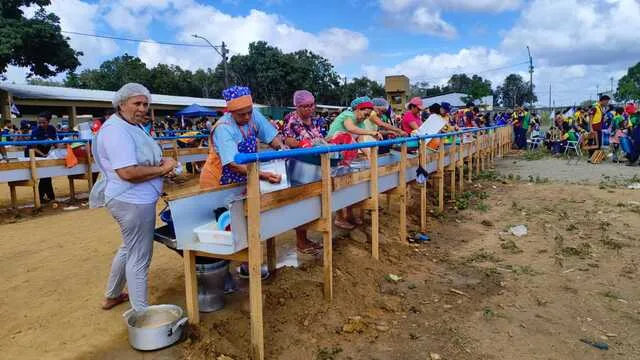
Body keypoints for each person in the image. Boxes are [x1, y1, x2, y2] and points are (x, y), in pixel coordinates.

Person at [91, 83, 177, 311]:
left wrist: (161, 165)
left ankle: (112, 295)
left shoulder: (132, 125)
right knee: (140, 257)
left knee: (129, 248)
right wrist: (163, 169)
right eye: (137, 103)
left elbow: (141, 159)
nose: (142, 108)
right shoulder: (116, 131)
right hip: (131, 201)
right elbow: (127, 172)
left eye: (145, 104)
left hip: (135, 199)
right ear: (121, 104)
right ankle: (142, 313)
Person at [200, 85, 284, 190]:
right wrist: (262, 175)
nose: (247, 117)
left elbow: (271, 138)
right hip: (218, 180)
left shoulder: (254, 116)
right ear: (231, 112)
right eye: (241, 114)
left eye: (249, 112)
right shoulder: (223, 128)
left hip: (246, 175)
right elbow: (233, 164)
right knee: (223, 206)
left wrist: (282, 150)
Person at [282, 90, 326, 255]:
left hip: (313, 163)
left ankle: (305, 239)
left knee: (312, 200)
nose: (309, 109)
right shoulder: (291, 120)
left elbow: (319, 139)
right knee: (301, 201)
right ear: (297, 106)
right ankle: (300, 241)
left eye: (311, 105)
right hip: (298, 164)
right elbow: (288, 140)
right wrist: (304, 143)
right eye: (305, 106)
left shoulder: (313, 121)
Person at [326, 96, 381, 230]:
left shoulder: (361, 123)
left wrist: (369, 154)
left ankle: (349, 214)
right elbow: (350, 128)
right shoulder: (348, 115)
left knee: (349, 185)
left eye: (368, 115)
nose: (365, 117)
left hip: (345, 156)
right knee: (337, 186)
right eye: (365, 114)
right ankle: (339, 218)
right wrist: (372, 132)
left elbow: (361, 140)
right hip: (332, 155)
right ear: (357, 109)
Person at [29, 112, 58, 203]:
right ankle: (47, 197)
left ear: (48, 121)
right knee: (44, 176)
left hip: (47, 154)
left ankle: (46, 197)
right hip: (36, 154)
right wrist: (43, 155)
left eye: (43, 122)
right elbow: (33, 147)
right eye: (39, 123)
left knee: (46, 175)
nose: (41, 124)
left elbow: (54, 142)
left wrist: (52, 149)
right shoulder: (35, 131)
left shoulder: (52, 129)